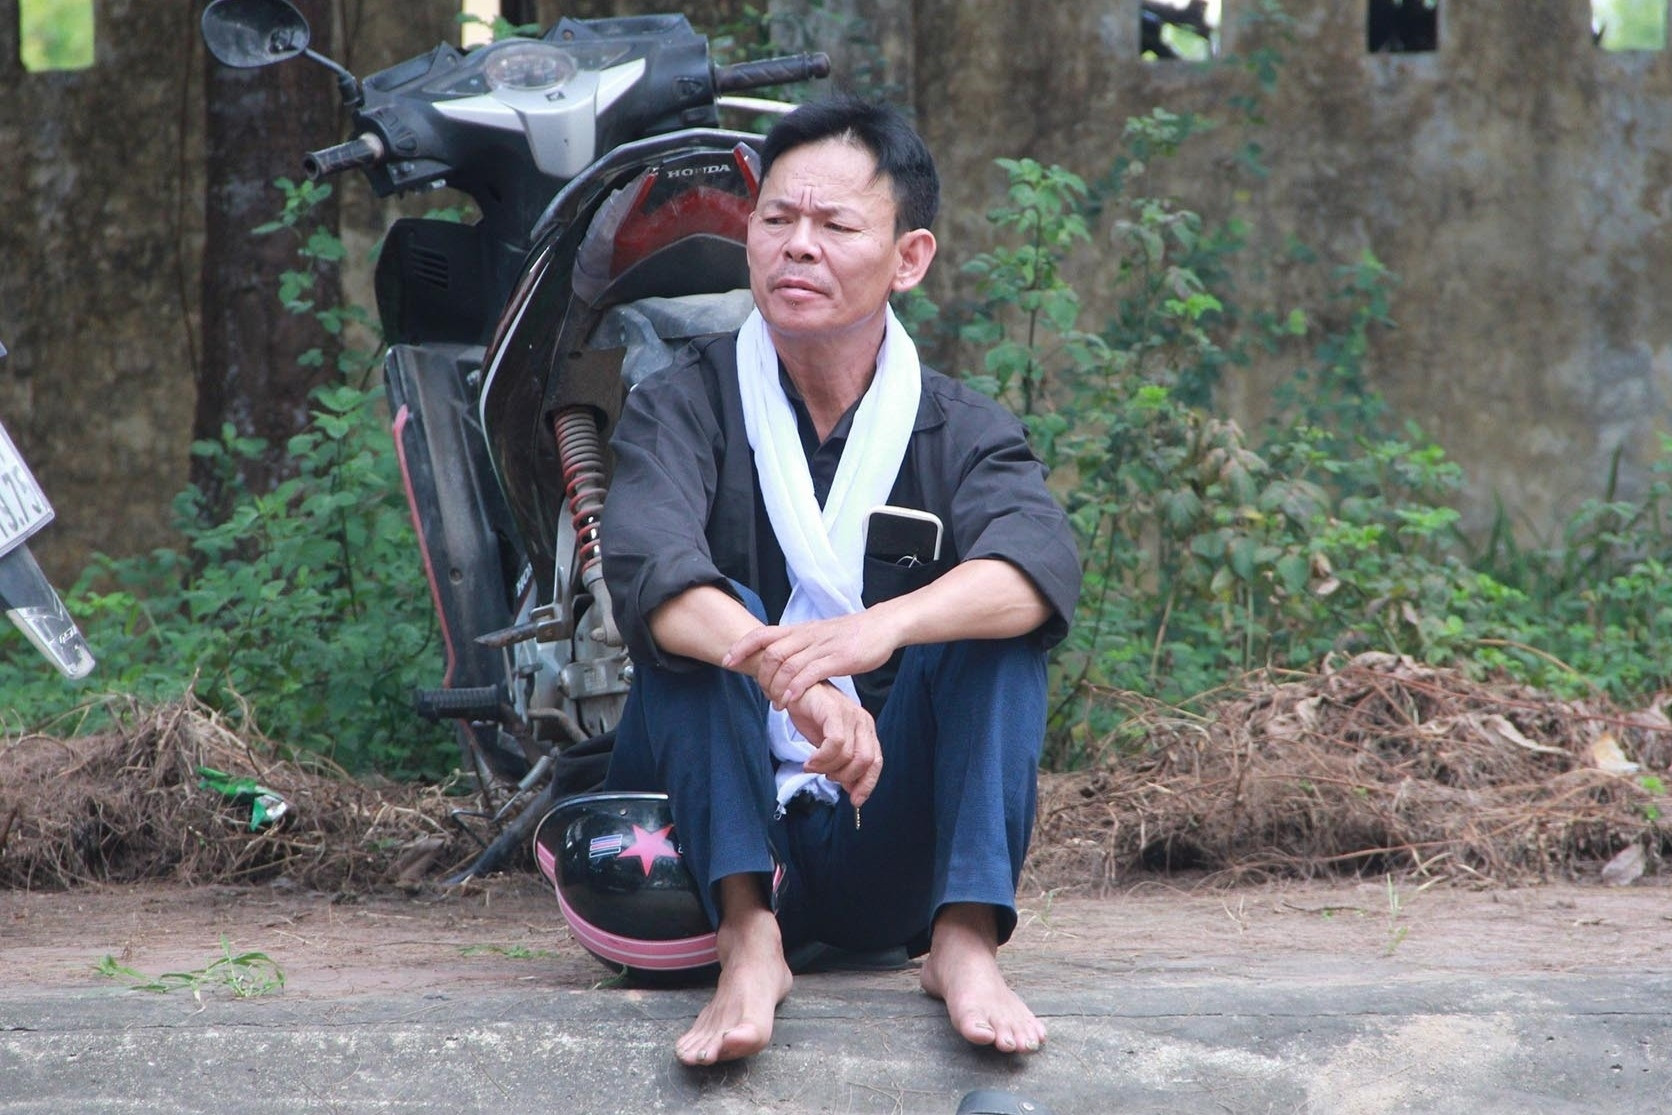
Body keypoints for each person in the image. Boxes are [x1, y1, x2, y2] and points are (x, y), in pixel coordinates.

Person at [598, 94, 1081, 1066]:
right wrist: (797, 675)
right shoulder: (679, 405)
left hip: (875, 834)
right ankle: (747, 938)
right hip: (695, 841)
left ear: (908, 258)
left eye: (834, 225)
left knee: (990, 621)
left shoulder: (961, 429)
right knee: (700, 618)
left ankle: (963, 937)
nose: (796, 247)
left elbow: (1039, 569)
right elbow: (646, 566)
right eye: (775, 219)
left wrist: (877, 631)